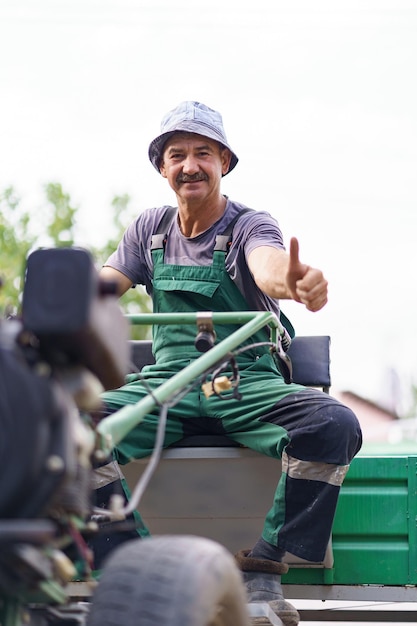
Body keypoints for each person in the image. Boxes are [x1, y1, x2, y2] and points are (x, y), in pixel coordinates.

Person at [93, 101, 362, 626]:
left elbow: (269, 269)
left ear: (224, 163)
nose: (189, 165)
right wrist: (60, 299)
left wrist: (294, 282)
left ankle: (264, 563)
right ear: (162, 169)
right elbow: (102, 288)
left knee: (333, 424)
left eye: (202, 153)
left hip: (243, 381)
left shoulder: (248, 225)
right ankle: (129, 560)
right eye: (177, 156)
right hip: (166, 386)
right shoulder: (148, 230)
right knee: (66, 430)